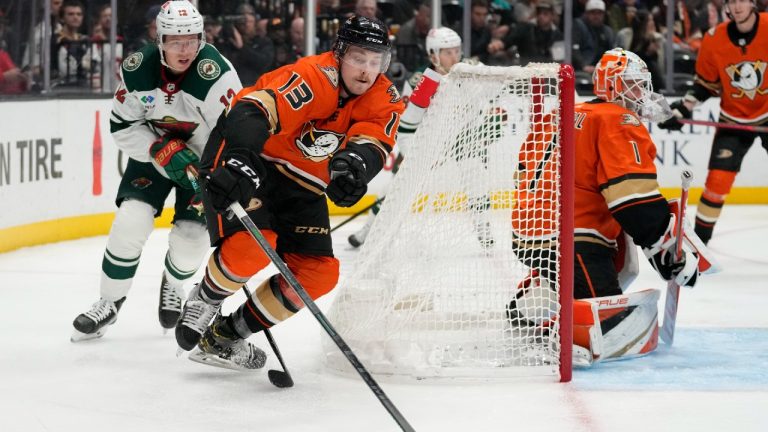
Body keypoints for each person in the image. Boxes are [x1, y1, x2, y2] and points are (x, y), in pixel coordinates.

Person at [173, 15, 405, 370]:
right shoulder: (314, 77)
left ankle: (225, 335)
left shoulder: (384, 96)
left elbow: (373, 142)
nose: (366, 71)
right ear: (339, 54)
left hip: (302, 182)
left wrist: (352, 170)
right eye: (359, 58)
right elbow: (251, 112)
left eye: (376, 61)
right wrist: (239, 159)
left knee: (318, 273)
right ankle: (206, 296)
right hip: (254, 158)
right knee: (253, 244)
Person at [510, 48, 717, 366]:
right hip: (574, 237)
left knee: (621, 254)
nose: (641, 93)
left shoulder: (562, 113)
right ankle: (564, 329)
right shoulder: (617, 119)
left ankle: (535, 301)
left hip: (530, 233)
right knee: (616, 329)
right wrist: (669, 255)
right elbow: (634, 202)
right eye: (633, 84)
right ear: (611, 86)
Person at [71, 0, 242, 342]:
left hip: (203, 167)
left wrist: (215, 170)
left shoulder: (216, 76)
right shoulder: (137, 69)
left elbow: (237, 135)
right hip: (154, 155)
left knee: (191, 241)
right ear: (159, 39)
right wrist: (156, 148)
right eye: (176, 41)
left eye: (192, 39)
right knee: (130, 222)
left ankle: (174, 284)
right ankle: (109, 301)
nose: (185, 49)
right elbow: (122, 127)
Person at [348, 27, 492, 248]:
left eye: (456, 50)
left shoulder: (473, 70)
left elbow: (496, 89)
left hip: (462, 139)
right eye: (447, 52)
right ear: (433, 54)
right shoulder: (421, 81)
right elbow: (406, 126)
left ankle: (484, 230)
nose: (454, 57)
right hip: (428, 142)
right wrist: (415, 154)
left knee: (477, 180)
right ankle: (368, 231)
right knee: (396, 188)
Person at [658, 0, 768, 245]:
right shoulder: (714, 38)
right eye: (732, 1)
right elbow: (705, 84)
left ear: (753, 3)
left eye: (743, 0)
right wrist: (684, 109)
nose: (737, 6)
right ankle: (700, 246)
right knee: (716, 183)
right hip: (733, 119)